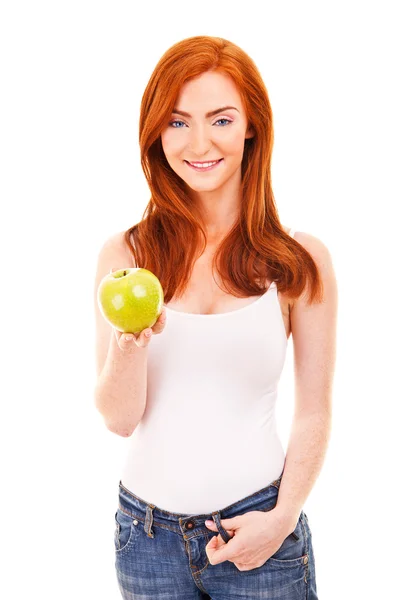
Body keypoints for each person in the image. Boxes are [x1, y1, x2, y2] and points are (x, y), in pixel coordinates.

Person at [93, 35, 337, 600]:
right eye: (177, 123)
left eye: (220, 120)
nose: (199, 143)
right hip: (145, 538)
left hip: (260, 531)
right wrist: (129, 346)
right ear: (156, 134)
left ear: (252, 126)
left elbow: (316, 411)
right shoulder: (126, 258)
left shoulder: (299, 261)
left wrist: (282, 518)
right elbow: (119, 418)